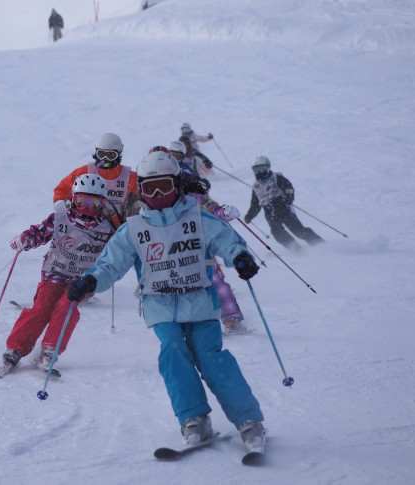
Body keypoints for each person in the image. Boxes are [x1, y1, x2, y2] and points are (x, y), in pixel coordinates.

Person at [67, 150, 266, 453]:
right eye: (150, 188)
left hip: (199, 301)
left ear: (177, 185)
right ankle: (194, 419)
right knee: (172, 353)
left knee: (211, 357)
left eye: (164, 187)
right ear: (141, 191)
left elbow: (226, 239)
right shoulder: (134, 228)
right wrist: (91, 280)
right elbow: (111, 263)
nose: (158, 194)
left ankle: (249, 421)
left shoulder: (198, 218)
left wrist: (239, 257)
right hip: (159, 304)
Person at [0, 174, 114, 378]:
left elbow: (116, 252)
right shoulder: (61, 217)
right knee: (41, 309)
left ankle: (49, 351)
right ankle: (15, 349)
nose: (87, 206)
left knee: (67, 308)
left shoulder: (105, 228)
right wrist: (25, 240)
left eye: (94, 202)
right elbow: (40, 232)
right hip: (54, 273)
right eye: (82, 200)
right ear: (74, 198)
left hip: (80, 280)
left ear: (102, 202)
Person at [168, 141, 248, 334]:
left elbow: (213, 209)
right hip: (173, 247)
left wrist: (225, 212)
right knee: (181, 288)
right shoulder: (163, 195)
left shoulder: (196, 194)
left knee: (215, 281)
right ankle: (189, 325)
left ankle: (231, 318)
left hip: (198, 244)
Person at [53, 132, 139, 228]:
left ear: (118, 155)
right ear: (96, 153)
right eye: (102, 154)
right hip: (86, 227)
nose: (106, 159)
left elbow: (145, 195)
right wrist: (59, 200)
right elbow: (63, 188)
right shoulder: (85, 172)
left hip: (117, 230)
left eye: (111, 155)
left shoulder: (130, 178)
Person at [243, 156, 324, 251]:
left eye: (261, 169)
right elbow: (255, 205)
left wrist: (287, 198)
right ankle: (296, 249)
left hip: (283, 208)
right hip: (269, 212)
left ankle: (319, 244)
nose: (259, 173)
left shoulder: (276, 177)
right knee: (277, 233)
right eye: (256, 170)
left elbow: (289, 188)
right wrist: (250, 215)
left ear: (267, 167)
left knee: (298, 230)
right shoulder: (256, 186)